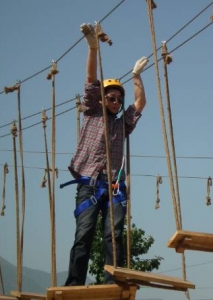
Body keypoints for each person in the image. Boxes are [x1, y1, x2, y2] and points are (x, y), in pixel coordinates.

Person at [63, 22, 148, 286]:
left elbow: (140, 103)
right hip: (89, 184)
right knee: (84, 234)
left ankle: (113, 281)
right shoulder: (92, 113)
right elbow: (90, 81)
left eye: (118, 100)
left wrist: (136, 76)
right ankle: (75, 282)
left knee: (114, 235)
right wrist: (92, 48)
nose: (115, 102)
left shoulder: (123, 123)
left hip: (113, 186)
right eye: (110, 98)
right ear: (102, 99)